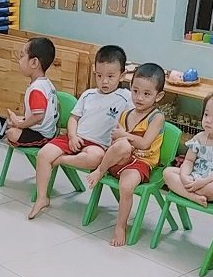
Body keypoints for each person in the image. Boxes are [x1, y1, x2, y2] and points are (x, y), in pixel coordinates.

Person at [27, 44, 133, 220]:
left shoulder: (126, 97)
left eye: (110, 76)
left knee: (96, 158)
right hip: (74, 137)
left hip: (98, 145)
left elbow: (134, 119)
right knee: (43, 154)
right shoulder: (88, 94)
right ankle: (42, 198)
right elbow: (73, 118)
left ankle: (60, 160)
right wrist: (72, 136)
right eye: (99, 76)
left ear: (122, 75)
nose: (104, 81)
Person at [84, 63, 167, 247]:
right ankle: (100, 170)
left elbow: (145, 143)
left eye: (147, 94)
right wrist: (121, 139)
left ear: (158, 96)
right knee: (122, 145)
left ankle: (120, 226)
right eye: (135, 91)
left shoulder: (157, 117)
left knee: (127, 186)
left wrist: (124, 135)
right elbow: (115, 142)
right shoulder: (126, 113)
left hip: (142, 162)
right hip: (120, 159)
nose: (139, 97)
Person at [4, 37, 58, 148]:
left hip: (42, 136)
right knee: (12, 124)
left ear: (34, 62)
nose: (19, 61)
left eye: (22, 56)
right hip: (44, 130)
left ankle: (16, 140)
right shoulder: (46, 83)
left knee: (11, 133)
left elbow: (38, 117)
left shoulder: (36, 89)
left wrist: (20, 125)